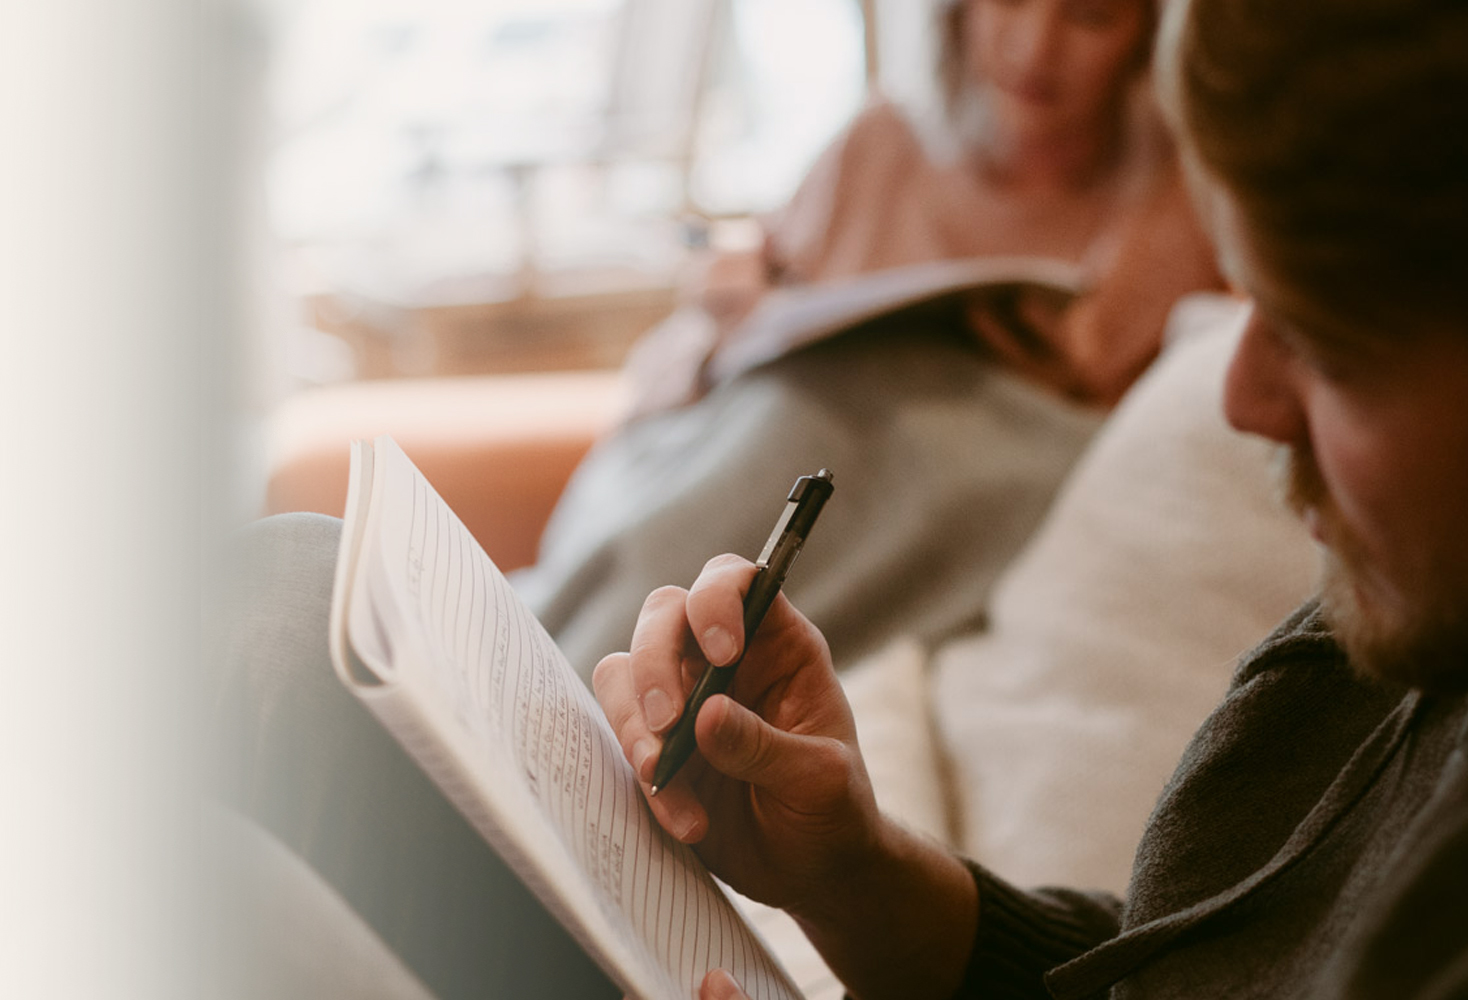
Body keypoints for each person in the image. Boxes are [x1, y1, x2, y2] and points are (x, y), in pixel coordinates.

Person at [593, 0, 1468, 994]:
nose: (1241, 398)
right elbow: (1180, 966)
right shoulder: (1366, 647)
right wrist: (853, 872)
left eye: (1326, 344)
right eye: (1251, 305)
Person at [511, 0, 1222, 680]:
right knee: (783, 419)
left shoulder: (1179, 196)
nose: (1037, 49)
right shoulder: (879, 143)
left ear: (1145, 37)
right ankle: (561, 665)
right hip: (775, 461)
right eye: (1006, 1)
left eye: (1091, 15)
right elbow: (680, 378)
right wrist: (724, 323)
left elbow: (1122, 447)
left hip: (945, 521)